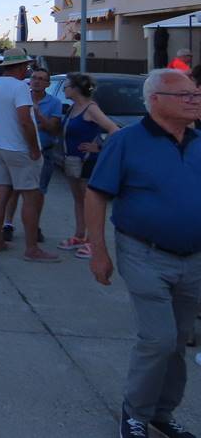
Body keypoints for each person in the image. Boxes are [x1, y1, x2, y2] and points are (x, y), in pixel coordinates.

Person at [85, 69, 201, 438]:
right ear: (155, 102)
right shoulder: (126, 141)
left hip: (193, 258)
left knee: (178, 340)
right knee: (158, 338)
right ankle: (135, 412)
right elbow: (96, 194)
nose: (194, 99)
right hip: (144, 253)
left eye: (194, 93)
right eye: (184, 94)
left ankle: (162, 413)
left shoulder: (199, 141)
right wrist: (98, 251)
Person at [0, 49, 58, 262]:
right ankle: (32, 249)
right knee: (31, 198)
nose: (28, 70)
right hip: (20, 150)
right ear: (21, 67)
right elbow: (25, 120)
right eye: (27, 67)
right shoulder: (20, 88)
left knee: (2, 193)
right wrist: (33, 148)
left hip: (1, 147)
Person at [56, 73, 119, 259]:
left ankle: (93, 242)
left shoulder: (91, 109)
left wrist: (99, 147)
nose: (65, 88)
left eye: (67, 85)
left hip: (87, 162)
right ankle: (79, 235)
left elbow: (114, 130)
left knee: (91, 202)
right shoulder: (74, 107)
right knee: (78, 200)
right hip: (71, 161)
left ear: (76, 89)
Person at [4, 67, 62, 242]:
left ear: (47, 84)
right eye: (34, 77)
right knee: (13, 190)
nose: (36, 81)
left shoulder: (54, 103)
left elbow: (53, 128)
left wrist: (38, 114)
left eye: (41, 79)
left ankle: (33, 226)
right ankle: (7, 224)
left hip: (44, 151)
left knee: (38, 192)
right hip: (20, 151)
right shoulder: (21, 98)